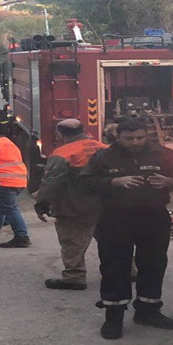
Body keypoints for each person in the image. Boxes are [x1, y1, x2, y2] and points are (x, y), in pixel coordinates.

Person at [81, 118, 173, 339]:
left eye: (140, 137)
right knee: (114, 266)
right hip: (115, 219)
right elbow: (84, 183)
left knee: (153, 264)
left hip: (153, 217)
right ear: (118, 137)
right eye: (128, 138)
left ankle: (148, 311)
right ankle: (113, 318)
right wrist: (114, 182)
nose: (135, 142)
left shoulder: (163, 154)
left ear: (147, 135)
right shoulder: (103, 157)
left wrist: (170, 182)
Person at [35, 119, 107, 290]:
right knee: (113, 239)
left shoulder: (63, 154)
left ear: (60, 135)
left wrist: (42, 204)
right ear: (84, 130)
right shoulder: (103, 148)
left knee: (73, 242)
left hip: (75, 206)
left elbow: (52, 182)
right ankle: (127, 271)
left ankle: (74, 277)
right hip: (106, 204)